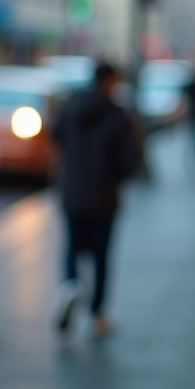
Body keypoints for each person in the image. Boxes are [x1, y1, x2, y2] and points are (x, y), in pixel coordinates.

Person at [52, 61, 138, 338]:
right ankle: (97, 313)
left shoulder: (71, 106)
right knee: (101, 255)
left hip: (73, 191)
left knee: (72, 246)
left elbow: (56, 134)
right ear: (110, 81)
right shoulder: (117, 115)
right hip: (103, 195)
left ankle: (70, 285)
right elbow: (129, 161)